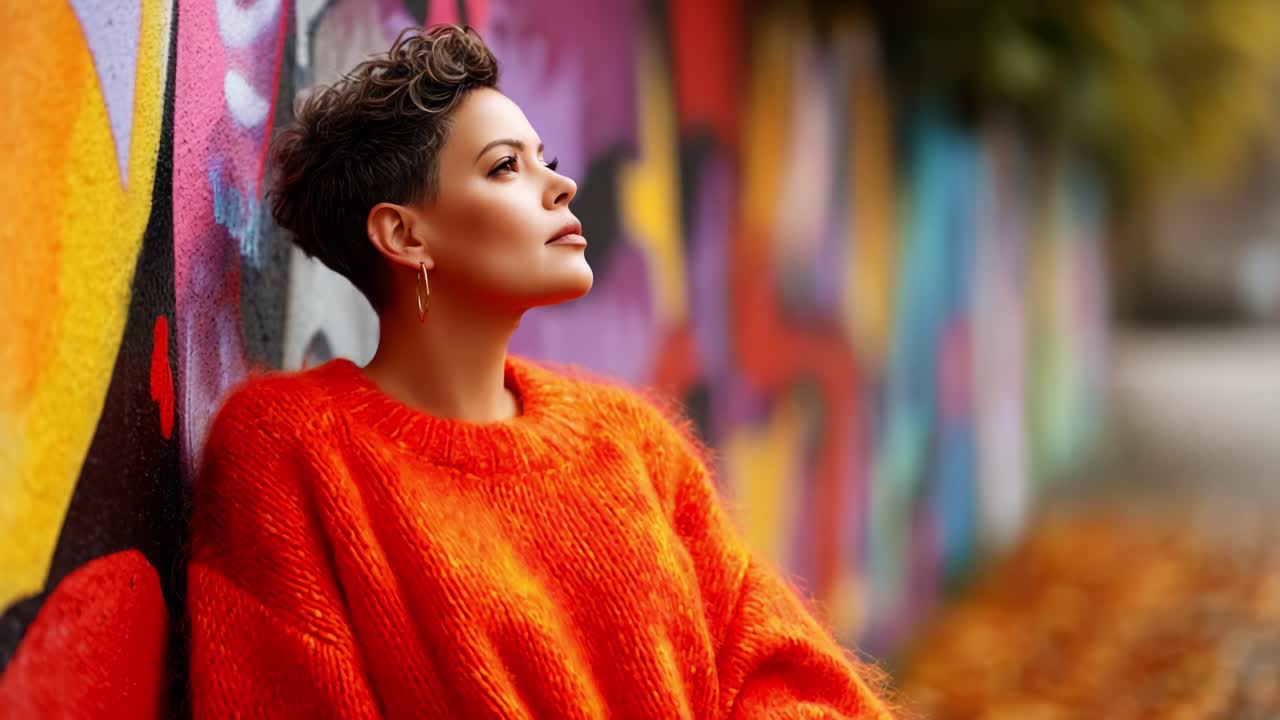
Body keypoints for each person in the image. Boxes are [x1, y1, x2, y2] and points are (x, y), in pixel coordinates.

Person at [187, 24, 893, 719]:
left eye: (543, 158)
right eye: (504, 167)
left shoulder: (632, 440)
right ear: (404, 234)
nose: (561, 185)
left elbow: (789, 677)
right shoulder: (292, 451)